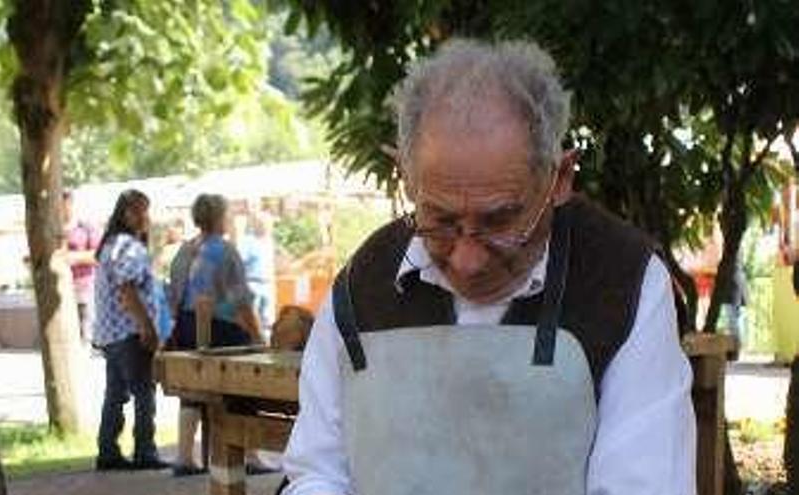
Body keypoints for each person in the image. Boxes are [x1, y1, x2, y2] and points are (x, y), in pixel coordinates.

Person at [281, 39, 696, 495]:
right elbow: (317, 471)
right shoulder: (364, 286)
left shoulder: (623, 280)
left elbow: (645, 484)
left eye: (499, 221)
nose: (467, 259)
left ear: (559, 179)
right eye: (440, 220)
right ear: (406, 175)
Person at [166, 193, 261, 476]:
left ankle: (184, 458)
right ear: (220, 217)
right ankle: (251, 456)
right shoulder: (225, 250)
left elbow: (174, 295)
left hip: (186, 324)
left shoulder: (185, 249)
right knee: (246, 382)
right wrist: (257, 336)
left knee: (192, 390)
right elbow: (241, 300)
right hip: (221, 327)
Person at [92, 189, 168, 471]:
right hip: (128, 332)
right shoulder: (128, 246)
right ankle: (145, 451)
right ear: (124, 214)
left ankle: (108, 451)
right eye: (138, 211)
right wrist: (147, 327)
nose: (144, 217)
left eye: (145, 210)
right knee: (143, 392)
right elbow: (128, 290)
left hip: (110, 334)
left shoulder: (110, 244)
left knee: (115, 394)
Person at [62, 190, 101, 342]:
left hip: (82, 289)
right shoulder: (52, 228)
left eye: (65, 203)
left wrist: (74, 257)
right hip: (59, 290)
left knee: (84, 333)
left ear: (70, 203)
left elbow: (99, 255)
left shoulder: (85, 227)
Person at [237, 210, 277, 338]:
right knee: (253, 321)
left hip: (268, 284)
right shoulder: (247, 241)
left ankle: (267, 344)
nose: (268, 226)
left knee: (268, 320)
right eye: (265, 223)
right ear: (258, 224)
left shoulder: (269, 241)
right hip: (252, 283)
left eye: (269, 223)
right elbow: (239, 264)